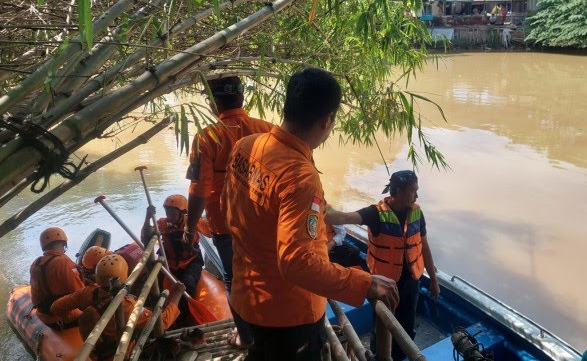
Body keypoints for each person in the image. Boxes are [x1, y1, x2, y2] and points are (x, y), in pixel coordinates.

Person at [221, 67, 399, 360]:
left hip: (246, 296)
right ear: (327, 120)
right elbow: (295, 263)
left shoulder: (246, 146)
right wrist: (364, 283)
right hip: (287, 316)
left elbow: (231, 212)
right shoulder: (299, 176)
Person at [185, 76, 273, 347]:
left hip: (226, 225)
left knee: (235, 280)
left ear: (213, 103)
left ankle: (246, 337)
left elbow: (200, 190)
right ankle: (273, 332)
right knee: (268, 275)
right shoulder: (268, 131)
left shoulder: (207, 137)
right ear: (242, 98)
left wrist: (190, 228)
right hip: (267, 222)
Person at [325, 170, 440, 361]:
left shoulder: (417, 212)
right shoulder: (375, 214)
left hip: (411, 280)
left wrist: (434, 281)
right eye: (413, 190)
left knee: (407, 324)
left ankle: (402, 355)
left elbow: (424, 248)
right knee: (381, 325)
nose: (417, 195)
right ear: (400, 191)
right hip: (384, 283)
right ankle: (379, 356)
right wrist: (320, 204)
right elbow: (340, 218)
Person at [51, 254, 184, 359]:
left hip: (97, 353)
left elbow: (56, 307)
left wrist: (80, 316)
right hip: (122, 353)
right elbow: (164, 321)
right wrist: (177, 294)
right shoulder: (128, 307)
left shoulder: (87, 292)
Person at [141, 194, 203, 297]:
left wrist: (195, 223)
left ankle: (183, 311)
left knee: (188, 284)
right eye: (167, 212)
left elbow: (210, 233)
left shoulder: (192, 222)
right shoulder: (162, 223)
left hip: (191, 261)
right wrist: (148, 217)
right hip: (169, 262)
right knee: (151, 281)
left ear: (183, 212)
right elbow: (145, 238)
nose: (169, 215)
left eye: (172, 213)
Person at [29, 226, 85, 326]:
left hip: (43, 314)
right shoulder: (63, 262)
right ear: (64, 243)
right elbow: (81, 292)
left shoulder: (36, 263)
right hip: (64, 317)